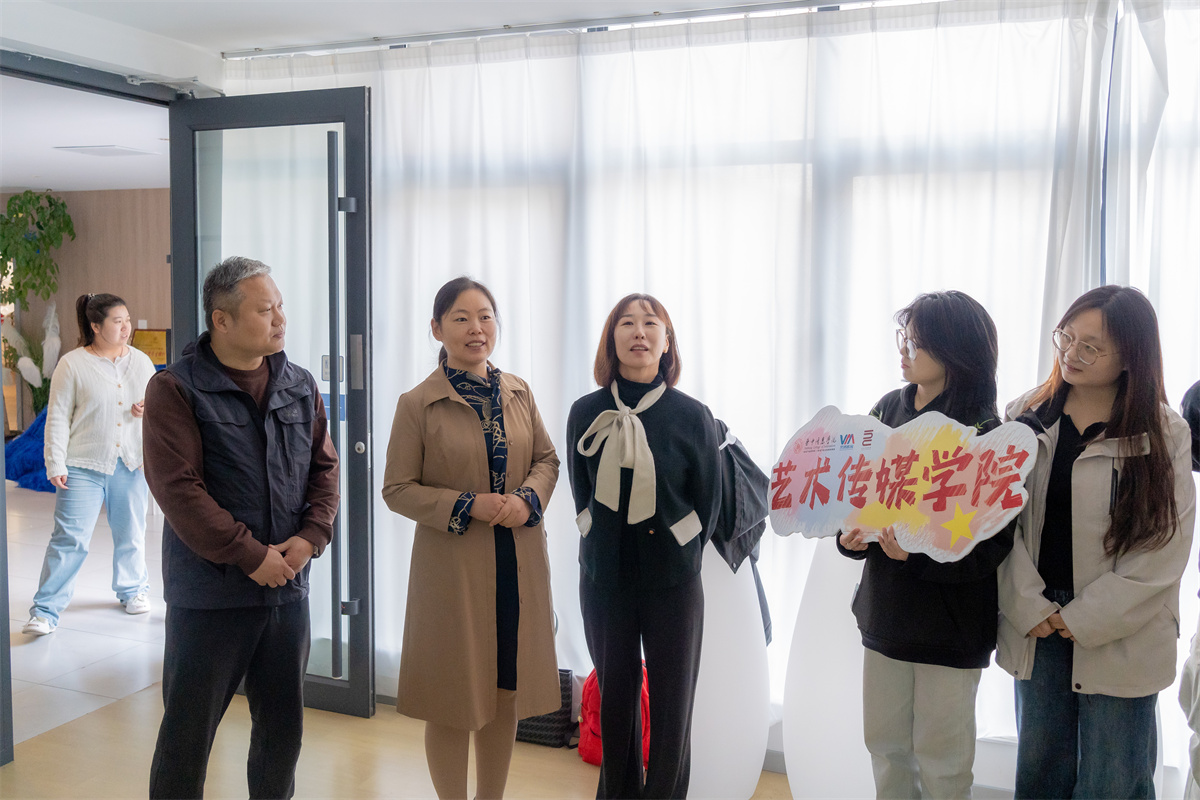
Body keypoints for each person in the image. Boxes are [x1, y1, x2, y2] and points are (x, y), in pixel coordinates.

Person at [142, 256, 339, 799]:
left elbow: (324, 469)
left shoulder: (299, 384)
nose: (280, 319)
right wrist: (251, 555)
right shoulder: (175, 389)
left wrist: (311, 537)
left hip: (286, 589)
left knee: (282, 734)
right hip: (211, 596)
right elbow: (179, 492)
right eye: (265, 309)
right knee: (187, 739)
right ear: (221, 320)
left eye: (281, 306)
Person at [998, 285, 1195, 799]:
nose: (1071, 353)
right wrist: (1027, 603)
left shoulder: (1165, 433)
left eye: (1091, 347)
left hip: (1121, 626)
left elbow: (1163, 547)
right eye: (1067, 336)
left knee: (1114, 780)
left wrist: (1084, 618)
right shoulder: (1025, 416)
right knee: (1040, 773)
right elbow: (996, 523)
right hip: (1038, 620)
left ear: (1130, 358)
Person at [382, 277, 561, 800]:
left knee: (505, 692)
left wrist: (527, 499)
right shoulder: (418, 403)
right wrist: (467, 504)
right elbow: (397, 489)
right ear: (437, 329)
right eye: (461, 318)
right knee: (451, 699)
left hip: (515, 561)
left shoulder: (518, 391)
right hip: (452, 569)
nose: (476, 328)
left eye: (485, 316)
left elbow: (547, 459)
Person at [836, 290, 1015, 799]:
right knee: (885, 749)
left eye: (917, 341)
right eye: (904, 337)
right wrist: (849, 539)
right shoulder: (886, 409)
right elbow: (856, 495)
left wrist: (915, 557)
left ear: (956, 350)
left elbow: (991, 546)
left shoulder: (985, 432)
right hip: (886, 614)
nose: (904, 350)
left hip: (950, 625)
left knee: (943, 764)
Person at [567, 293, 721, 799]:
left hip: (673, 580)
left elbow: (709, 500)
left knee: (674, 706)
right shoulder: (585, 411)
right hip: (603, 578)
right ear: (611, 340)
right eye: (626, 323)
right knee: (615, 697)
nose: (639, 332)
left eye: (650, 323)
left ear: (666, 341)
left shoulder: (692, 415)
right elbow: (581, 490)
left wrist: (678, 550)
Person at [23, 293, 157, 636]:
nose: (126, 327)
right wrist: (55, 462)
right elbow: (57, 417)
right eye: (117, 321)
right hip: (82, 464)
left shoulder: (141, 362)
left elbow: (158, 408)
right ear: (96, 326)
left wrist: (147, 409)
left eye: (128, 320)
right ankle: (45, 611)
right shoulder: (72, 364)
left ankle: (133, 589)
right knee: (69, 539)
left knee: (131, 533)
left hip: (130, 462)